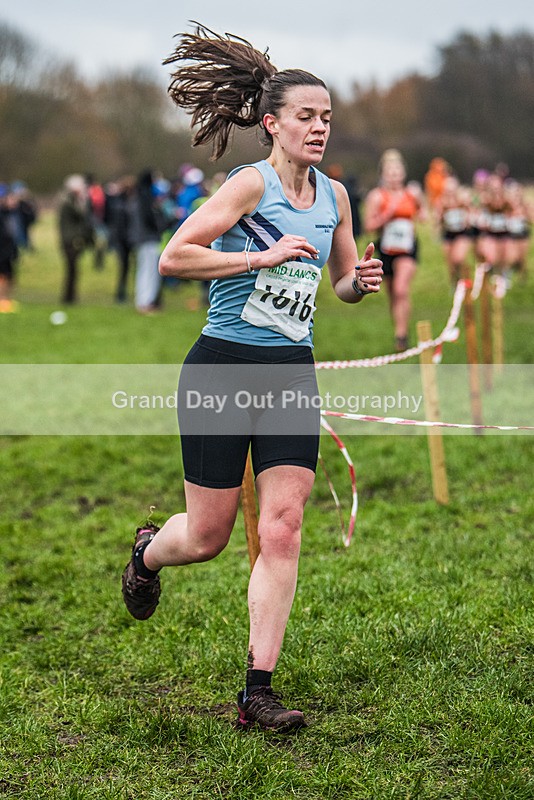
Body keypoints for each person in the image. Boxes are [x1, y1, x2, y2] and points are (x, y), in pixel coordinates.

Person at [121, 23, 383, 732]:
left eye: (327, 117)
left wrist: (359, 282)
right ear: (272, 123)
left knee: (284, 526)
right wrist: (255, 260)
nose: (319, 128)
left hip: (291, 373)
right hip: (222, 368)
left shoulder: (334, 197)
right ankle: (148, 552)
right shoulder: (248, 184)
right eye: (306, 116)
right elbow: (175, 256)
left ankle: (256, 690)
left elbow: (339, 284)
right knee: (206, 538)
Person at [363, 150, 423, 351]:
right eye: (390, 173)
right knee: (392, 294)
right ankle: (401, 331)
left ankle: (401, 334)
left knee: (401, 289)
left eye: (397, 172)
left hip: (407, 248)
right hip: (386, 249)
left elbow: (423, 215)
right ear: (383, 175)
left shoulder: (411, 194)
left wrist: (420, 205)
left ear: (403, 173)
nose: (394, 176)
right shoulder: (377, 196)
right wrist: (386, 216)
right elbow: (368, 226)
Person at [58, 175, 94, 304]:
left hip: (71, 239)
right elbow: (81, 214)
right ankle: (68, 297)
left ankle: (71, 296)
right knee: (71, 269)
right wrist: (83, 200)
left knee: (73, 270)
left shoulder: (69, 200)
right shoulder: (68, 202)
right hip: (70, 240)